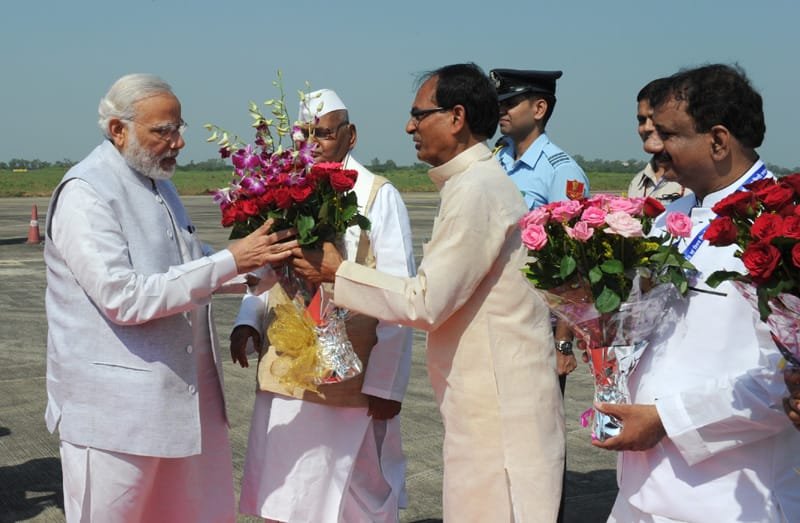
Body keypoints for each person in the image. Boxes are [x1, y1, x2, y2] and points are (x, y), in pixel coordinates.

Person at [292, 63, 565, 522]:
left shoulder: (476, 188)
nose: (409, 126)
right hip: (484, 402)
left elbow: (425, 301)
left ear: (456, 117)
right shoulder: (468, 183)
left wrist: (339, 274)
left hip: (499, 411)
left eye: (419, 115)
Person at [44, 73, 297, 523]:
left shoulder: (158, 183)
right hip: (116, 417)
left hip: (180, 404)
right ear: (118, 130)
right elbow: (123, 298)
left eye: (179, 128)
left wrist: (261, 267)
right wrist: (231, 261)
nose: (178, 143)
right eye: (163, 131)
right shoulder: (87, 192)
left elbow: (187, 262)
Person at [593, 64, 800, 522]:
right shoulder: (672, 216)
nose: (652, 146)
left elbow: (785, 380)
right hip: (640, 485)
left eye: (668, 134)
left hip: (730, 494)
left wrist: (668, 420)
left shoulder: (784, 229)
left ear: (718, 140)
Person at [231, 89, 416, 523]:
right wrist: (248, 322)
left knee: (350, 495)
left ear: (351, 136)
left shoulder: (376, 195)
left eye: (325, 134)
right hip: (287, 374)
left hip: (351, 380)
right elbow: (263, 273)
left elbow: (398, 294)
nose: (313, 144)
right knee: (286, 492)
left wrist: (388, 387)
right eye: (305, 135)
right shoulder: (285, 191)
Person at [490, 68, 589, 210]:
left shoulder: (561, 171)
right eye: (500, 104)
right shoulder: (497, 158)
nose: (501, 111)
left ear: (539, 109)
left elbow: (565, 230)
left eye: (510, 104)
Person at [627, 78, 689, 204]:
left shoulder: (698, 180)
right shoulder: (638, 182)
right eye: (642, 120)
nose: (647, 127)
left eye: (655, 119)